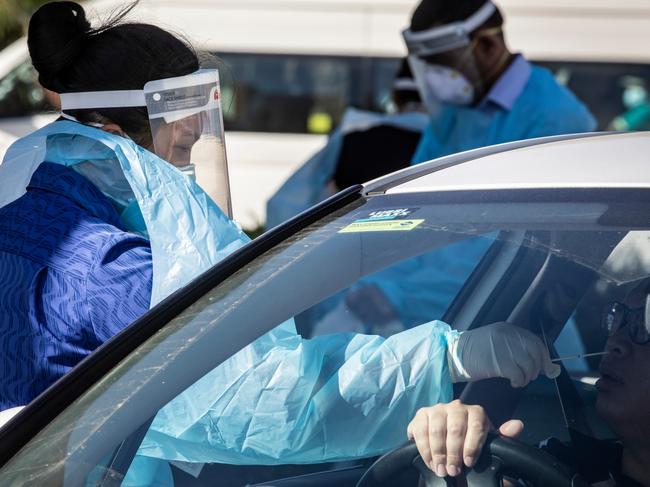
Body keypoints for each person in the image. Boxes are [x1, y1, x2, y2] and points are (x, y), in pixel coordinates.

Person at [408, 280, 650, 486]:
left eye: (645, 326)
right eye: (618, 319)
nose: (615, 342)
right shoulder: (556, 467)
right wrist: (466, 462)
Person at [265, 59, 429, 229]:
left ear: (394, 95)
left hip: (356, 244)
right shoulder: (444, 141)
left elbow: (287, 204)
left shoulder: (354, 135)